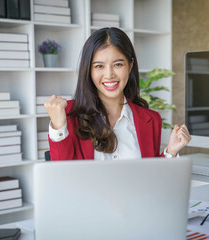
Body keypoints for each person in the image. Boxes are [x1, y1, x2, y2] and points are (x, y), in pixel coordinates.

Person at [44, 27, 191, 161]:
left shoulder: (150, 120)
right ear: (89, 70)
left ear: (130, 65)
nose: (109, 75)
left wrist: (170, 152)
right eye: (99, 66)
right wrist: (58, 126)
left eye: (118, 64)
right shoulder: (69, 114)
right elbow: (63, 177)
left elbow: (151, 176)